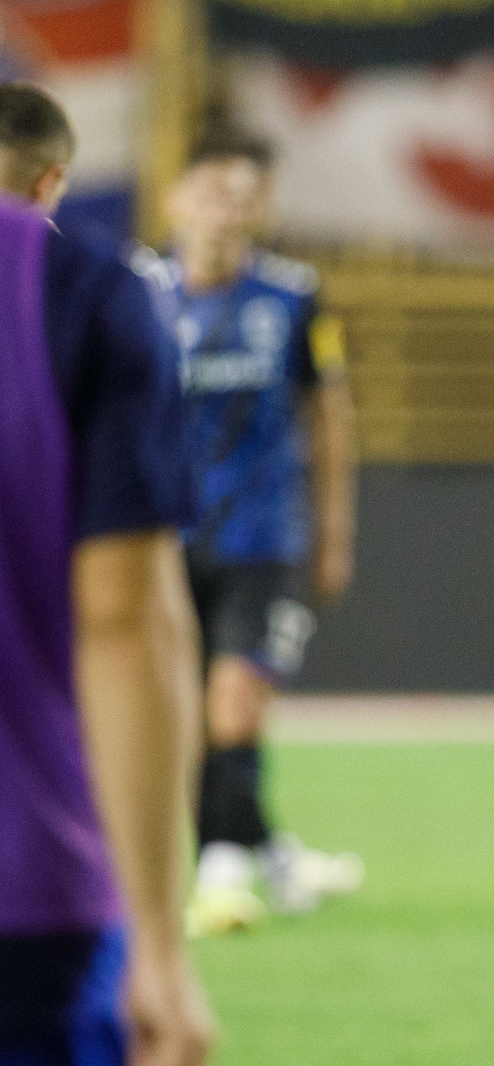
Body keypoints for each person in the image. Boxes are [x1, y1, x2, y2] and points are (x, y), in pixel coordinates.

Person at [0, 81, 212, 1066]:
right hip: (29, 887)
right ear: (53, 179)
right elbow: (124, 624)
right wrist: (160, 947)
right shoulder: (89, 293)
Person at [144, 130, 363, 935]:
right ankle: (276, 860)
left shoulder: (295, 298)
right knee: (191, 718)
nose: (226, 211)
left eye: (242, 197)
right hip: (163, 545)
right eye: (210, 192)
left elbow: (330, 417)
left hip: (264, 538)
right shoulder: (140, 297)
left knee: (233, 703)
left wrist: (333, 536)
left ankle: (220, 881)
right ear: (175, 201)